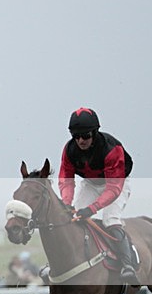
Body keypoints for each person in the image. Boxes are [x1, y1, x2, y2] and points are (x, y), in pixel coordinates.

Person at [58, 107, 137, 283]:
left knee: (110, 220)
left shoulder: (111, 149)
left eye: (85, 135)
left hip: (117, 184)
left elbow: (113, 189)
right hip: (91, 184)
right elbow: (66, 180)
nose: (80, 140)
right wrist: (66, 203)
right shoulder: (69, 150)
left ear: (94, 132)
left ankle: (127, 264)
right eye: (76, 136)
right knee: (74, 218)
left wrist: (92, 209)